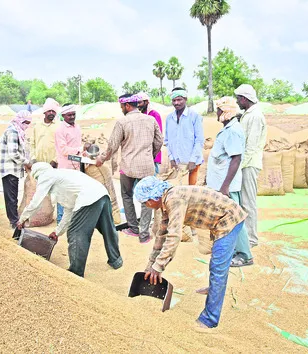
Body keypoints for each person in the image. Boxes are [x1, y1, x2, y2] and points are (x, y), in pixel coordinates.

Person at [133, 176, 247, 329]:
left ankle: (209, 319)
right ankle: (215, 289)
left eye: (146, 201)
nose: (146, 205)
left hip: (229, 219)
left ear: (154, 196)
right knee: (216, 264)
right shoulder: (166, 202)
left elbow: (174, 236)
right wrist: (150, 266)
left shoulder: (174, 199)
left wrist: (159, 266)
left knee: (218, 268)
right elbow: (162, 235)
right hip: (216, 220)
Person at [17, 163, 123, 277]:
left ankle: (76, 272)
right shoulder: (62, 178)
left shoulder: (46, 175)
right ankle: (116, 260)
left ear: (37, 174)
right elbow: (69, 210)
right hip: (102, 194)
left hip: (89, 197)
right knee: (108, 229)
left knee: (76, 232)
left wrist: (22, 219)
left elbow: (36, 202)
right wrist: (57, 232)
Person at [96, 94, 163, 243]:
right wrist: (150, 156)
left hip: (128, 167)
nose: (121, 110)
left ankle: (133, 228)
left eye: (121, 107)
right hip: (147, 167)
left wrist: (101, 158)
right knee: (147, 198)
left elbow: (112, 146)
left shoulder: (122, 122)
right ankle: (144, 234)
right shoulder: (150, 120)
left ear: (127, 106)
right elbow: (159, 141)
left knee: (127, 195)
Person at [207, 97, 253, 267]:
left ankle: (244, 255)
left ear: (226, 112)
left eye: (219, 109)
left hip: (227, 186)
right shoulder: (228, 129)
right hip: (221, 184)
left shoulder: (233, 131)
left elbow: (236, 159)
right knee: (227, 219)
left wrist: (225, 185)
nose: (217, 113)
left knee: (235, 219)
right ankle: (232, 250)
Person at [235, 84, 267, 248]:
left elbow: (251, 146)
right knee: (243, 201)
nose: (237, 101)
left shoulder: (255, 116)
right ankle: (245, 235)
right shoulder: (247, 114)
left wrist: (239, 166)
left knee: (248, 202)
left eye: (238, 98)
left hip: (249, 164)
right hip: (244, 164)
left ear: (244, 99)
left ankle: (252, 238)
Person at [54, 104, 87, 224]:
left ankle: (71, 219)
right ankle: (60, 220)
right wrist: (79, 149)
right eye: (69, 115)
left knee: (74, 193)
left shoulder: (77, 127)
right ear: (63, 116)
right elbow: (63, 150)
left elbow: (77, 145)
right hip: (65, 166)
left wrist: (83, 152)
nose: (72, 116)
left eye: (74, 114)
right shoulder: (60, 130)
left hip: (76, 165)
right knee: (63, 193)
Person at [164, 87, 205, 185]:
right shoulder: (169, 118)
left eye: (179, 100)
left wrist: (193, 160)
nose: (176, 103)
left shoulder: (194, 116)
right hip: (176, 163)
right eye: (174, 100)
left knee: (191, 193)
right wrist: (171, 158)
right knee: (177, 193)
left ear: (185, 99)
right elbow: (167, 141)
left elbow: (199, 140)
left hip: (192, 163)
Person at [0, 110, 32, 229]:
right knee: (11, 197)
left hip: (14, 169)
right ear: (20, 120)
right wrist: (27, 162)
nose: (27, 125)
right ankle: (14, 222)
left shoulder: (18, 131)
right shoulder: (12, 132)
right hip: (10, 169)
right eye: (25, 122)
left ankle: (14, 220)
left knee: (12, 196)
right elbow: (13, 153)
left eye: (29, 123)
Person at [137, 92, 163, 174]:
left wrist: (153, 153)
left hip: (152, 155)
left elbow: (158, 136)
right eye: (137, 103)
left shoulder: (154, 114)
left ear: (146, 102)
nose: (138, 105)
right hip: (142, 154)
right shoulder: (140, 115)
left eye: (140, 102)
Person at [31, 98, 60, 165]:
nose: (51, 113)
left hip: (54, 164)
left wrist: (55, 160)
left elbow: (61, 146)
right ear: (44, 112)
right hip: (38, 162)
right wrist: (33, 158)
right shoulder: (37, 125)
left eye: (53, 111)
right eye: (49, 111)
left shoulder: (59, 126)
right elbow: (32, 144)